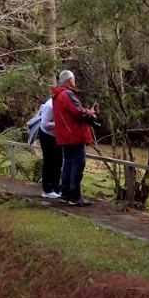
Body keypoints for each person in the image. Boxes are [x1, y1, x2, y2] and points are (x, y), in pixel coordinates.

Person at [52, 69, 97, 207]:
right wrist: (92, 113)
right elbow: (79, 112)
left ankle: (65, 194)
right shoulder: (67, 94)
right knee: (77, 165)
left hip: (65, 135)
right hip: (74, 135)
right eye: (74, 80)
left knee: (68, 164)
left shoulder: (57, 96)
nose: (75, 82)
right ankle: (74, 196)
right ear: (69, 80)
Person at [33, 95, 61, 199]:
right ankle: (47, 189)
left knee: (58, 161)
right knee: (49, 160)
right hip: (47, 135)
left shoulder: (63, 105)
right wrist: (59, 123)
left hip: (57, 135)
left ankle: (57, 187)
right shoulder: (50, 106)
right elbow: (44, 124)